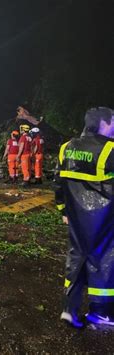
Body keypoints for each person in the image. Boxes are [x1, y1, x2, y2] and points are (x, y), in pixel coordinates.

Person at [55, 107, 114, 328]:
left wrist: (63, 211)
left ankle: (69, 310)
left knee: (76, 260)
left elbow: (58, 184)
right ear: (104, 124)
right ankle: (101, 314)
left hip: (76, 220)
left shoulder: (65, 149)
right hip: (105, 220)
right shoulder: (110, 150)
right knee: (104, 263)